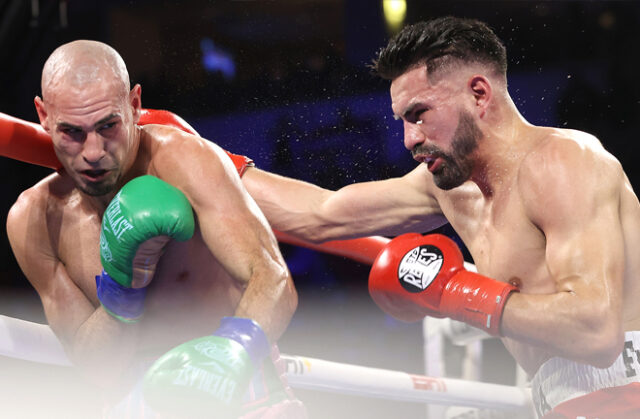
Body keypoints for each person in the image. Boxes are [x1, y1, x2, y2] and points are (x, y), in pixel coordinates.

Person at [235, 16, 640, 418]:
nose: (409, 139)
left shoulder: (562, 161)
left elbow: (595, 331)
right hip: (557, 401)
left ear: (479, 94)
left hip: (624, 389)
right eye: (404, 121)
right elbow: (320, 215)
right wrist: (201, 162)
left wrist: (454, 292)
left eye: (419, 114)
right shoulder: (448, 188)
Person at [5, 40, 305, 418]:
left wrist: (227, 357)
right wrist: (122, 285)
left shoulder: (186, 161)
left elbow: (273, 279)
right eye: (72, 132)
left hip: (234, 378)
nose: (93, 150)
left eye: (107, 126)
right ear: (43, 115)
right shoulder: (34, 219)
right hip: (130, 399)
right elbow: (96, 367)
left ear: (133, 105)